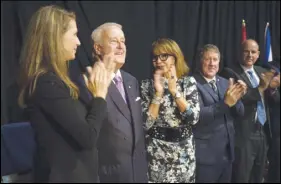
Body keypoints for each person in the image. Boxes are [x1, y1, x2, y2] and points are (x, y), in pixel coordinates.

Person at [17, 5, 113, 183]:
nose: (78, 42)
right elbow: (87, 137)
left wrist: (93, 96)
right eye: (74, 34)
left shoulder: (59, 81)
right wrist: (99, 96)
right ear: (55, 37)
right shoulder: (46, 84)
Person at [87, 22, 148, 183]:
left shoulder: (131, 81)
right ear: (98, 48)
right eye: (114, 41)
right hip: (109, 177)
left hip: (138, 174)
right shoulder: (89, 81)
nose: (121, 46)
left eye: (123, 41)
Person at [140, 38, 200, 183]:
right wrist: (158, 93)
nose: (159, 61)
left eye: (163, 56)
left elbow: (193, 119)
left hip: (183, 154)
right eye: (155, 57)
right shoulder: (146, 85)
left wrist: (174, 91)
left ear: (175, 57)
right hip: (156, 153)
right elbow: (146, 124)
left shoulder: (188, 82)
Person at [192, 44, 246, 183]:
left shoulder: (225, 82)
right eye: (208, 59)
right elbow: (198, 116)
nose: (212, 64)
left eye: (215, 59)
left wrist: (237, 98)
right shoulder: (192, 83)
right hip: (206, 157)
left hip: (227, 154)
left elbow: (240, 112)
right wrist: (225, 103)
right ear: (200, 61)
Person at [229, 39, 280, 183]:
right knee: (242, 178)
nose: (250, 55)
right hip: (244, 134)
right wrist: (261, 88)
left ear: (258, 54)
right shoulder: (231, 72)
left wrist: (274, 88)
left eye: (253, 52)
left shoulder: (262, 71)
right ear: (240, 53)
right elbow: (241, 98)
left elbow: (275, 100)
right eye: (246, 51)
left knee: (259, 177)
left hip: (263, 132)